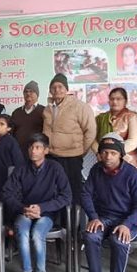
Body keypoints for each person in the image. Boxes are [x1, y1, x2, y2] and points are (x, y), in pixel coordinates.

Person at [75, 133, 137, 272]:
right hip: (103, 218)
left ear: (120, 155)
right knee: (90, 237)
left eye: (113, 153)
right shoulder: (96, 170)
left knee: (119, 241)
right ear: (100, 154)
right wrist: (93, 216)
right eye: (105, 152)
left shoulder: (134, 175)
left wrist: (127, 224)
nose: (108, 156)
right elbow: (85, 194)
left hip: (127, 220)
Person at [1, 133, 71, 272]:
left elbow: (66, 196)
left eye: (38, 147)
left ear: (46, 150)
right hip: (24, 211)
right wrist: (23, 208)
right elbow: (6, 193)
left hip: (46, 213)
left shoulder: (55, 168)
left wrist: (42, 207)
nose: (33, 151)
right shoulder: (21, 168)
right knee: (23, 231)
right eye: (31, 147)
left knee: (37, 233)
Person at [42, 73, 97, 203]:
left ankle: (74, 222)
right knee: (54, 191)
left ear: (66, 89)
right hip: (52, 156)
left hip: (72, 158)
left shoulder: (80, 106)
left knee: (73, 191)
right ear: (50, 90)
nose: (57, 90)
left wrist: (81, 150)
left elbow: (91, 130)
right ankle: (57, 222)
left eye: (60, 86)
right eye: (54, 87)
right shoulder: (47, 109)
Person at [95, 88, 137, 169]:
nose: (114, 102)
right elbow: (93, 139)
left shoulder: (132, 116)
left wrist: (115, 154)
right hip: (105, 160)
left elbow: (133, 141)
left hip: (128, 161)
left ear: (125, 101)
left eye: (118, 99)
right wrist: (100, 153)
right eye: (112, 99)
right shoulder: (100, 118)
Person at [0, 114, 25, 204]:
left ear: (9, 128)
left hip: (7, 182)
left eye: (2, 124)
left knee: (6, 211)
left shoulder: (11, 142)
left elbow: (19, 164)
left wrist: (12, 184)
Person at [10, 80, 45, 152]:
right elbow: (11, 133)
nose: (28, 94)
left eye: (31, 91)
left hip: (37, 153)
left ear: (37, 94)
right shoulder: (16, 112)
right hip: (19, 152)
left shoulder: (44, 111)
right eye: (26, 91)